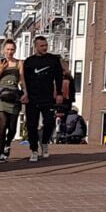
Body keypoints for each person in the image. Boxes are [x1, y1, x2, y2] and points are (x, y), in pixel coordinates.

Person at [20, 35, 68, 163]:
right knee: (31, 125)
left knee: (49, 122)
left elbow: (58, 77)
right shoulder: (29, 62)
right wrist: (25, 93)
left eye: (46, 45)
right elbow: (24, 80)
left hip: (47, 98)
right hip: (32, 98)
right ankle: (34, 150)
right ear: (35, 47)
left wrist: (59, 93)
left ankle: (45, 142)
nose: (44, 48)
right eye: (42, 46)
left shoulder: (53, 60)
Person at [0, 40, 23, 163]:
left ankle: (8, 144)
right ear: (3, 50)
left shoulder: (19, 63)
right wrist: (1, 70)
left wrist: (25, 93)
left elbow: (22, 81)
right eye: (7, 49)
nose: (10, 52)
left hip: (14, 96)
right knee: (3, 124)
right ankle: (1, 153)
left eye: (12, 49)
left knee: (12, 127)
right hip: (1, 96)